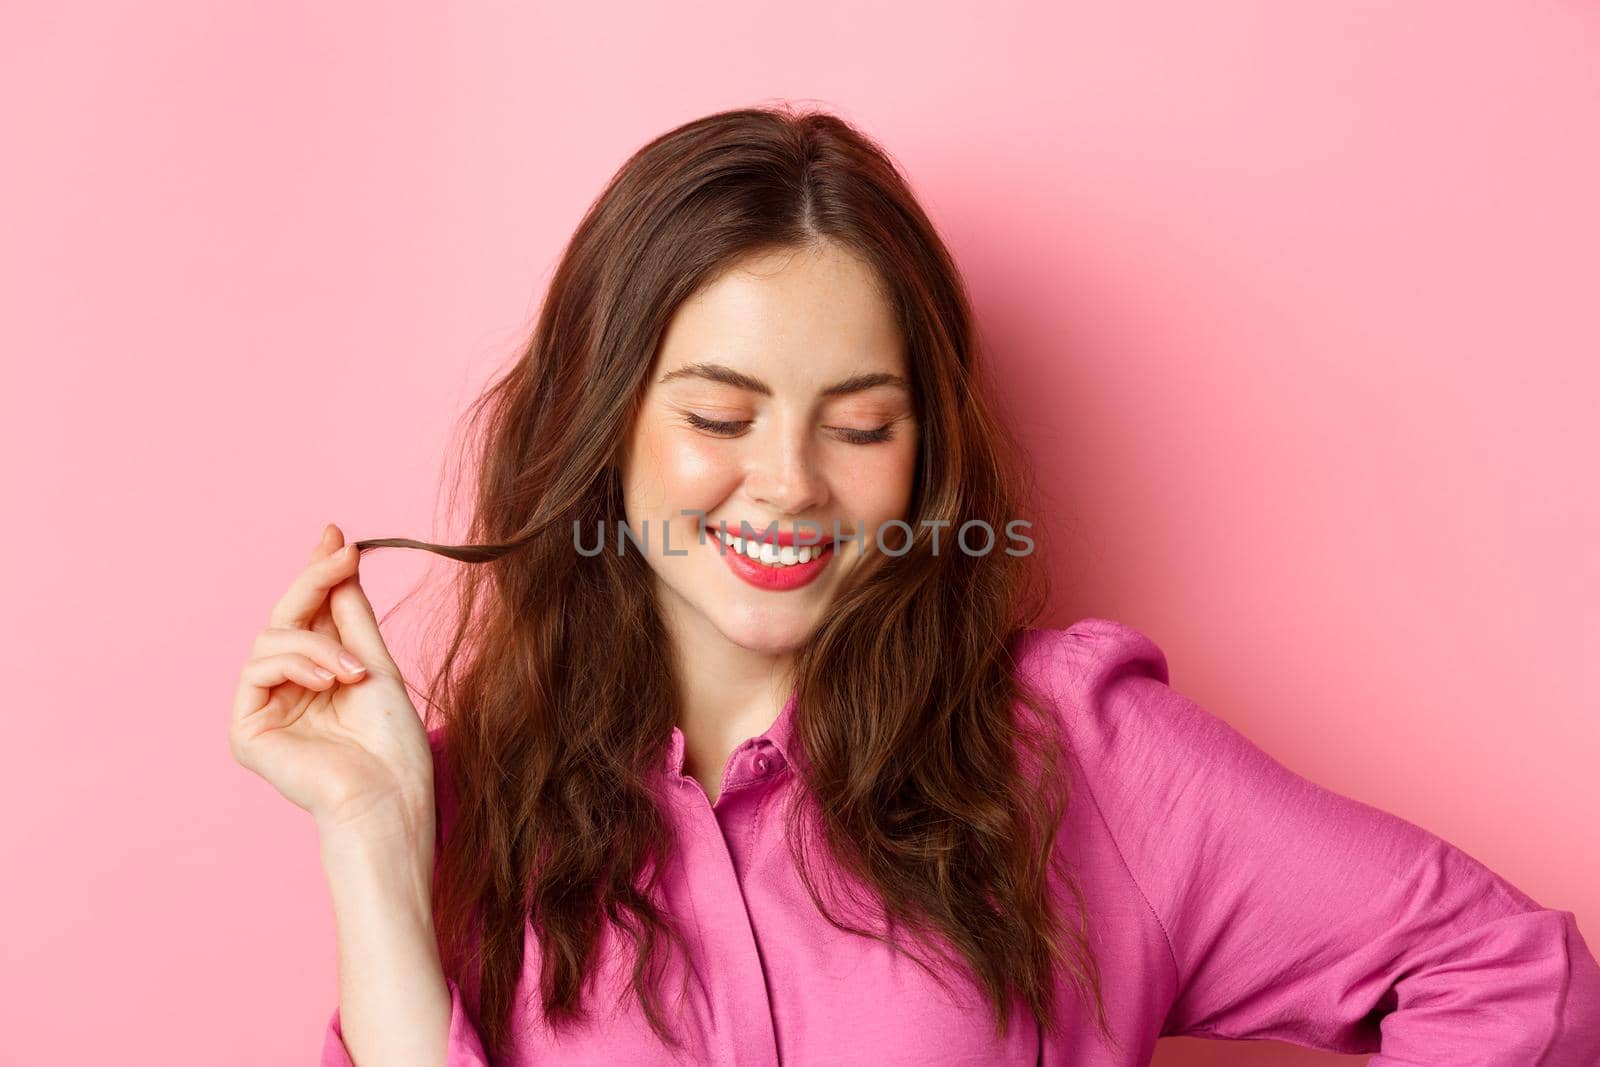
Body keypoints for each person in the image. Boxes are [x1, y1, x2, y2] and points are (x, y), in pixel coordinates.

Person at [228, 105, 1600, 1066]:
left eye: (862, 425)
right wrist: (371, 835)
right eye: (719, 416)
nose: (789, 484)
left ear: (924, 454)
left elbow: (1509, 979)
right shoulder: (461, 812)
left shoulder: (1079, 755)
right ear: (601, 430)